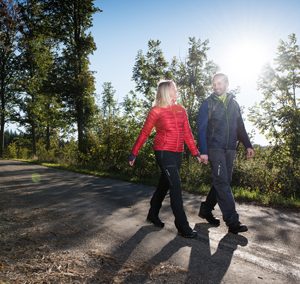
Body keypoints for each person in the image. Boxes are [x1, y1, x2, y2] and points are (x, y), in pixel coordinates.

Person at [128, 80, 201, 238]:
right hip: (163, 151)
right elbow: (145, 133)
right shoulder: (156, 111)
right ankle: (182, 226)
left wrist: (195, 152)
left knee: (164, 184)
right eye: (174, 88)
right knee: (175, 186)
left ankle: (153, 213)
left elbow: (187, 133)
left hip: (177, 153)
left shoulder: (181, 110)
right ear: (167, 91)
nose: (177, 90)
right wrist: (134, 152)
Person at [197, 73, 255, 234]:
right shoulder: (207, 104)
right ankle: (232, 221)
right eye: (214, 84)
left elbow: (240, 127)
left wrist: (248, 145)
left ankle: (206, 209)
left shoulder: (234, 104)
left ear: (227, 84)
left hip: (230, 148)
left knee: (223, 181)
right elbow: (201, 129)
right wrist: (203, 151)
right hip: (214, 148)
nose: (216, 86)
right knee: (222, 183)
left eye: (219, 83)